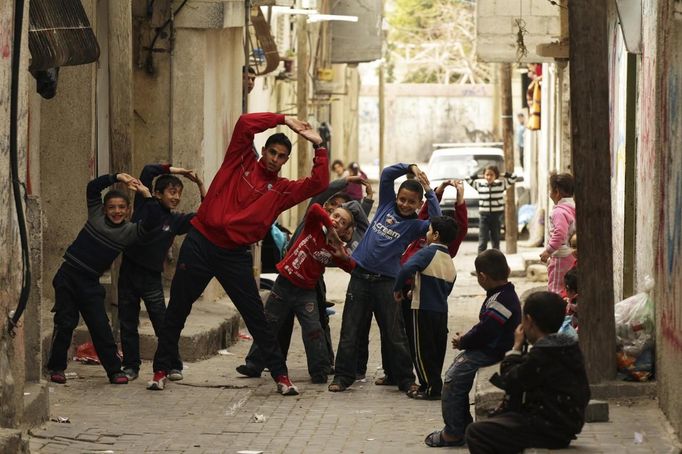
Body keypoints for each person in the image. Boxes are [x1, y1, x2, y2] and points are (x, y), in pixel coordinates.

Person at [148, 112, 329, 396]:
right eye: (272, 152)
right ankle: (161, 370)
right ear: (264, 151)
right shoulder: (240, 159)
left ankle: (281, 376)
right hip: (201, 242)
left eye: (282, 156)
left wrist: (319, 147)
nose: (275, 159)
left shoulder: (282, 190)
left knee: (256, 316)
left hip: (234, 255)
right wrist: (283, 119)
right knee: (178, 307)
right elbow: (245, 123)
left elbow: (318, 184)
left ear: (285, 161)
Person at [328, 163, 441, 393]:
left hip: (387, 282)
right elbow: (387, 174)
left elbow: (438, 223)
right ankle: (342, 377)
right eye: (402, 199)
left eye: (411, 202)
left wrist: (430, 193)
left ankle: (406, 380)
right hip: (359, 276)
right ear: (396, 197)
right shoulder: (387, 204)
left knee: (394, 334)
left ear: (419, 205)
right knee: (350, 329)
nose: (405, 204)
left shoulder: (415, 226)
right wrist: (410, 167)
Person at [47, 173, 162, 385]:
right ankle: (56, 368)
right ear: (104, 209)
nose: (116, 211)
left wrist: (146, 195)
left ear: (128, 211)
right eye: (111, 207)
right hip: (68, 276)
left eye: (121, 207)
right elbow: (92, 188)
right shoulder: (95, 216)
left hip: (90, 283)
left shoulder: (130, 232)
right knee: (65, 322)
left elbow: (155, 220)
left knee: (100, 326)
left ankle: (114, 371)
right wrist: (116, 177)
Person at [240, 203, 356, 384]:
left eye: (342, 222)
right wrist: (331, 227)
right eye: (335, 216)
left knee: (313, 330)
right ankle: (254, 364)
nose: (336, 221)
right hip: (283, 285)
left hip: (306, 292)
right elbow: (315, 208)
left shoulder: (335, 249)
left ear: (346, 232)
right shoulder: (313, 226)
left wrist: (343, 256)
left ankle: (319, 370)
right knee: (269, 324)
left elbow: (352, 269)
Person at [465, 291, 591, 453]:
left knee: (475, 432)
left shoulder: (543, 354)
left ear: (529, 321)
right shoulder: (569, 347)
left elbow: (511, 381)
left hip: (548, 428)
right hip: (566, 424)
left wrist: (516, 349)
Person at [374, 179, 468, 388]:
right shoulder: (423, 235)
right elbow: (427, 215)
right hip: (402, 286)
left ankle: (419, 380)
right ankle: (393, 373)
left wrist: (460, 202)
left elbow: (460, 227)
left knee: (415, 337)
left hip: (418, 294)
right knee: (393, 332)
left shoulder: (444, 247)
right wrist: (437, 193)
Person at [118, 163, 206, 381]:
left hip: (151, 277)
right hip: (129, 271)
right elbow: (148, 170)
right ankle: (131, 366)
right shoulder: (144, 205)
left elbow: (206, 215)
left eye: (179, 194)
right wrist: (181, 171)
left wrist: (201, 184)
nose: (176, 197)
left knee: (163, 323)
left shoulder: (175, 220)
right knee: (128, 322)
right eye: (172, 192)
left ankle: (172, 364)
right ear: (158, 194)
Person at [424, 249, 521, 447]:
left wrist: (464, 341)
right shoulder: (502, 295)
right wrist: (467, 337)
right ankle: (462, 425)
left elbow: (486, 331)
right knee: (457, 371)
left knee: (453, 379)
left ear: (482, 277)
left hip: (493, 351)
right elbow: (485, 326)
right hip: (489, 347)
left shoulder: (502, 300)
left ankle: (453, 432)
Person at [393, 216, 458, 400]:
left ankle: (429, 387)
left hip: (421, 309)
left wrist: (398, 288)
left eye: (429, 231)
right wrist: (415, 290)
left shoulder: (427, 252)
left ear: (436, 235)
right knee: (436, 350)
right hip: (441, 311)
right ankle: (434, 383)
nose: (427, 234)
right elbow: (447, 286)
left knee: (420, 349)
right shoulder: (449, 260)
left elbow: (406, 269)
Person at [466, 165, 518, 253]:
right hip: (484, 217)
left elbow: (514, 177)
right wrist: (478, 176)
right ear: (484, 176)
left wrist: (502, 174)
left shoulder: (501, 185)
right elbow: (467, 178)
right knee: (483, 241)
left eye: (491, 175)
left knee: (496, 240)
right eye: (487, 175)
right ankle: (480, 261)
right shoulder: (480, 185)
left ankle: (496, 261)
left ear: (495, 176)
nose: (489, 177)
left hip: (496, 217)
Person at [539, 172, 576, 294]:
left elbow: (559, 233)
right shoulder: (573, 207)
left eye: (550, 190)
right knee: (567, 288)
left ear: (557, 192)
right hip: (571, 255)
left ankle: (556, 312)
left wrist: (548, 251)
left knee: (556, 289)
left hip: (560, 256)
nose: (549, 194)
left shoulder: (559, 212)